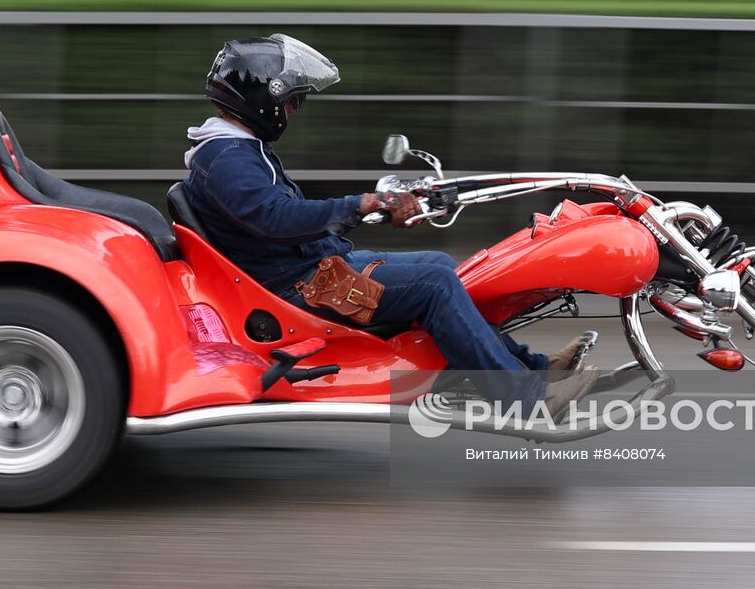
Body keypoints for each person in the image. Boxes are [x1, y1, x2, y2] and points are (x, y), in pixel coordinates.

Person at [181, 33, 599, 417]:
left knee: (441, 264)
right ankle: (525, 398)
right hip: (300, 287)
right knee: (436, 288)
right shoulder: (229, 158)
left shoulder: (233, 150)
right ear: (261, 98)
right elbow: (277, 219)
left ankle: (535, 368)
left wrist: (370, 207)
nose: (293, 109)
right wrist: (359, 203)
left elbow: (275, 220)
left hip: (312, 268)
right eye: (291, 100)